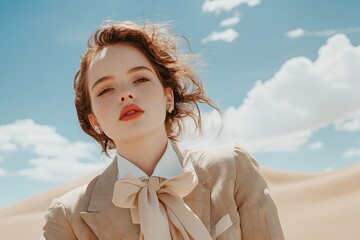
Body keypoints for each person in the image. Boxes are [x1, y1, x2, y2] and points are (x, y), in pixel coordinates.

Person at [41, 20, 285, 240]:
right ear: (94, 121)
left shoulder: (232, 168)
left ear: (168, 97)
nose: (126, 94)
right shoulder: (68, 216)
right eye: (105, 90)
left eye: (141, 79)